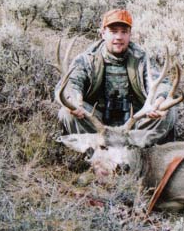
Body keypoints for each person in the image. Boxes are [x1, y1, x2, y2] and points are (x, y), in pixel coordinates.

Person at [55, 9, 176, 145]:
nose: (119, 37)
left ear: (130, 34)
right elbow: (70, 82)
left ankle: (139, 151)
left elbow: (161, 84)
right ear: (103, 33)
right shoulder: (88, 58)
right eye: (113, 31)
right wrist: (74, 100)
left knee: (167, 112)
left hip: (133, 123)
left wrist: (158, 102)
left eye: (124, 32)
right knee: (67, 113)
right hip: (97, 122)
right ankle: (97, 148)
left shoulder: (141, 58)